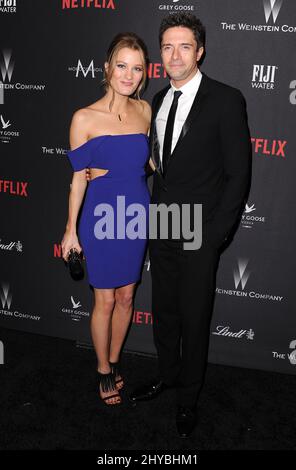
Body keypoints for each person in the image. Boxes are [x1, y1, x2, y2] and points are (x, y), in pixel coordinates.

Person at [129, 12, 252, 438]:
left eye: (184, 46)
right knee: (163, 310)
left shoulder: (225, 99)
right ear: (160, 53)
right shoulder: (158, 101)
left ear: (199, 51)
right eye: (167, 46)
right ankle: (168, 375)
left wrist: (217, 234)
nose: (175, 54)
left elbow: (239, 174)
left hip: (200, 230)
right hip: (162, 223)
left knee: (195, 316)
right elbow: (158, 164)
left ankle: (188, 398)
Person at [61, 32, 152, 406]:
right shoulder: (84, 118)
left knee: (128, 297)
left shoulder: (145, 111)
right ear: (107, 68)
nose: (128, 75)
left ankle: (115, 361)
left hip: (136, 214)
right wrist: (70, 231)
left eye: (137, 68)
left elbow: (145, 163)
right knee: (104, 301)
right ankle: (102, 369)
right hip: (100, 216)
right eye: (121, 66)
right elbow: (77, 181)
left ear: (144, 73)